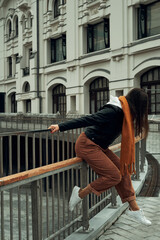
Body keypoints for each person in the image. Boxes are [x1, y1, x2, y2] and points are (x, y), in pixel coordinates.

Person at [48, 88, 151, 226]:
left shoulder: (125, 113)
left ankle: (135, 210)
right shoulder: (113, 111)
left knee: (124, 171)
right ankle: (79, 194)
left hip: (100, 146)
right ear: (136, 104)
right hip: (87, 144)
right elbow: (89, 119)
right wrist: (60, 126)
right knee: (114, 176)